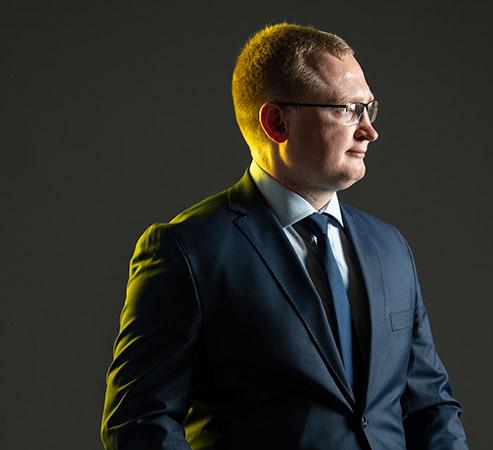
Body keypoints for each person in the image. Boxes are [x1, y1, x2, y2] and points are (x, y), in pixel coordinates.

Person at [101, 23, 468, 450]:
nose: (369, 130)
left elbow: (430, 408)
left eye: (369, 109)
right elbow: (140, 424)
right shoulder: (188, 250)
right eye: (348, 110)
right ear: (277, 122)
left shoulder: (390, 248)